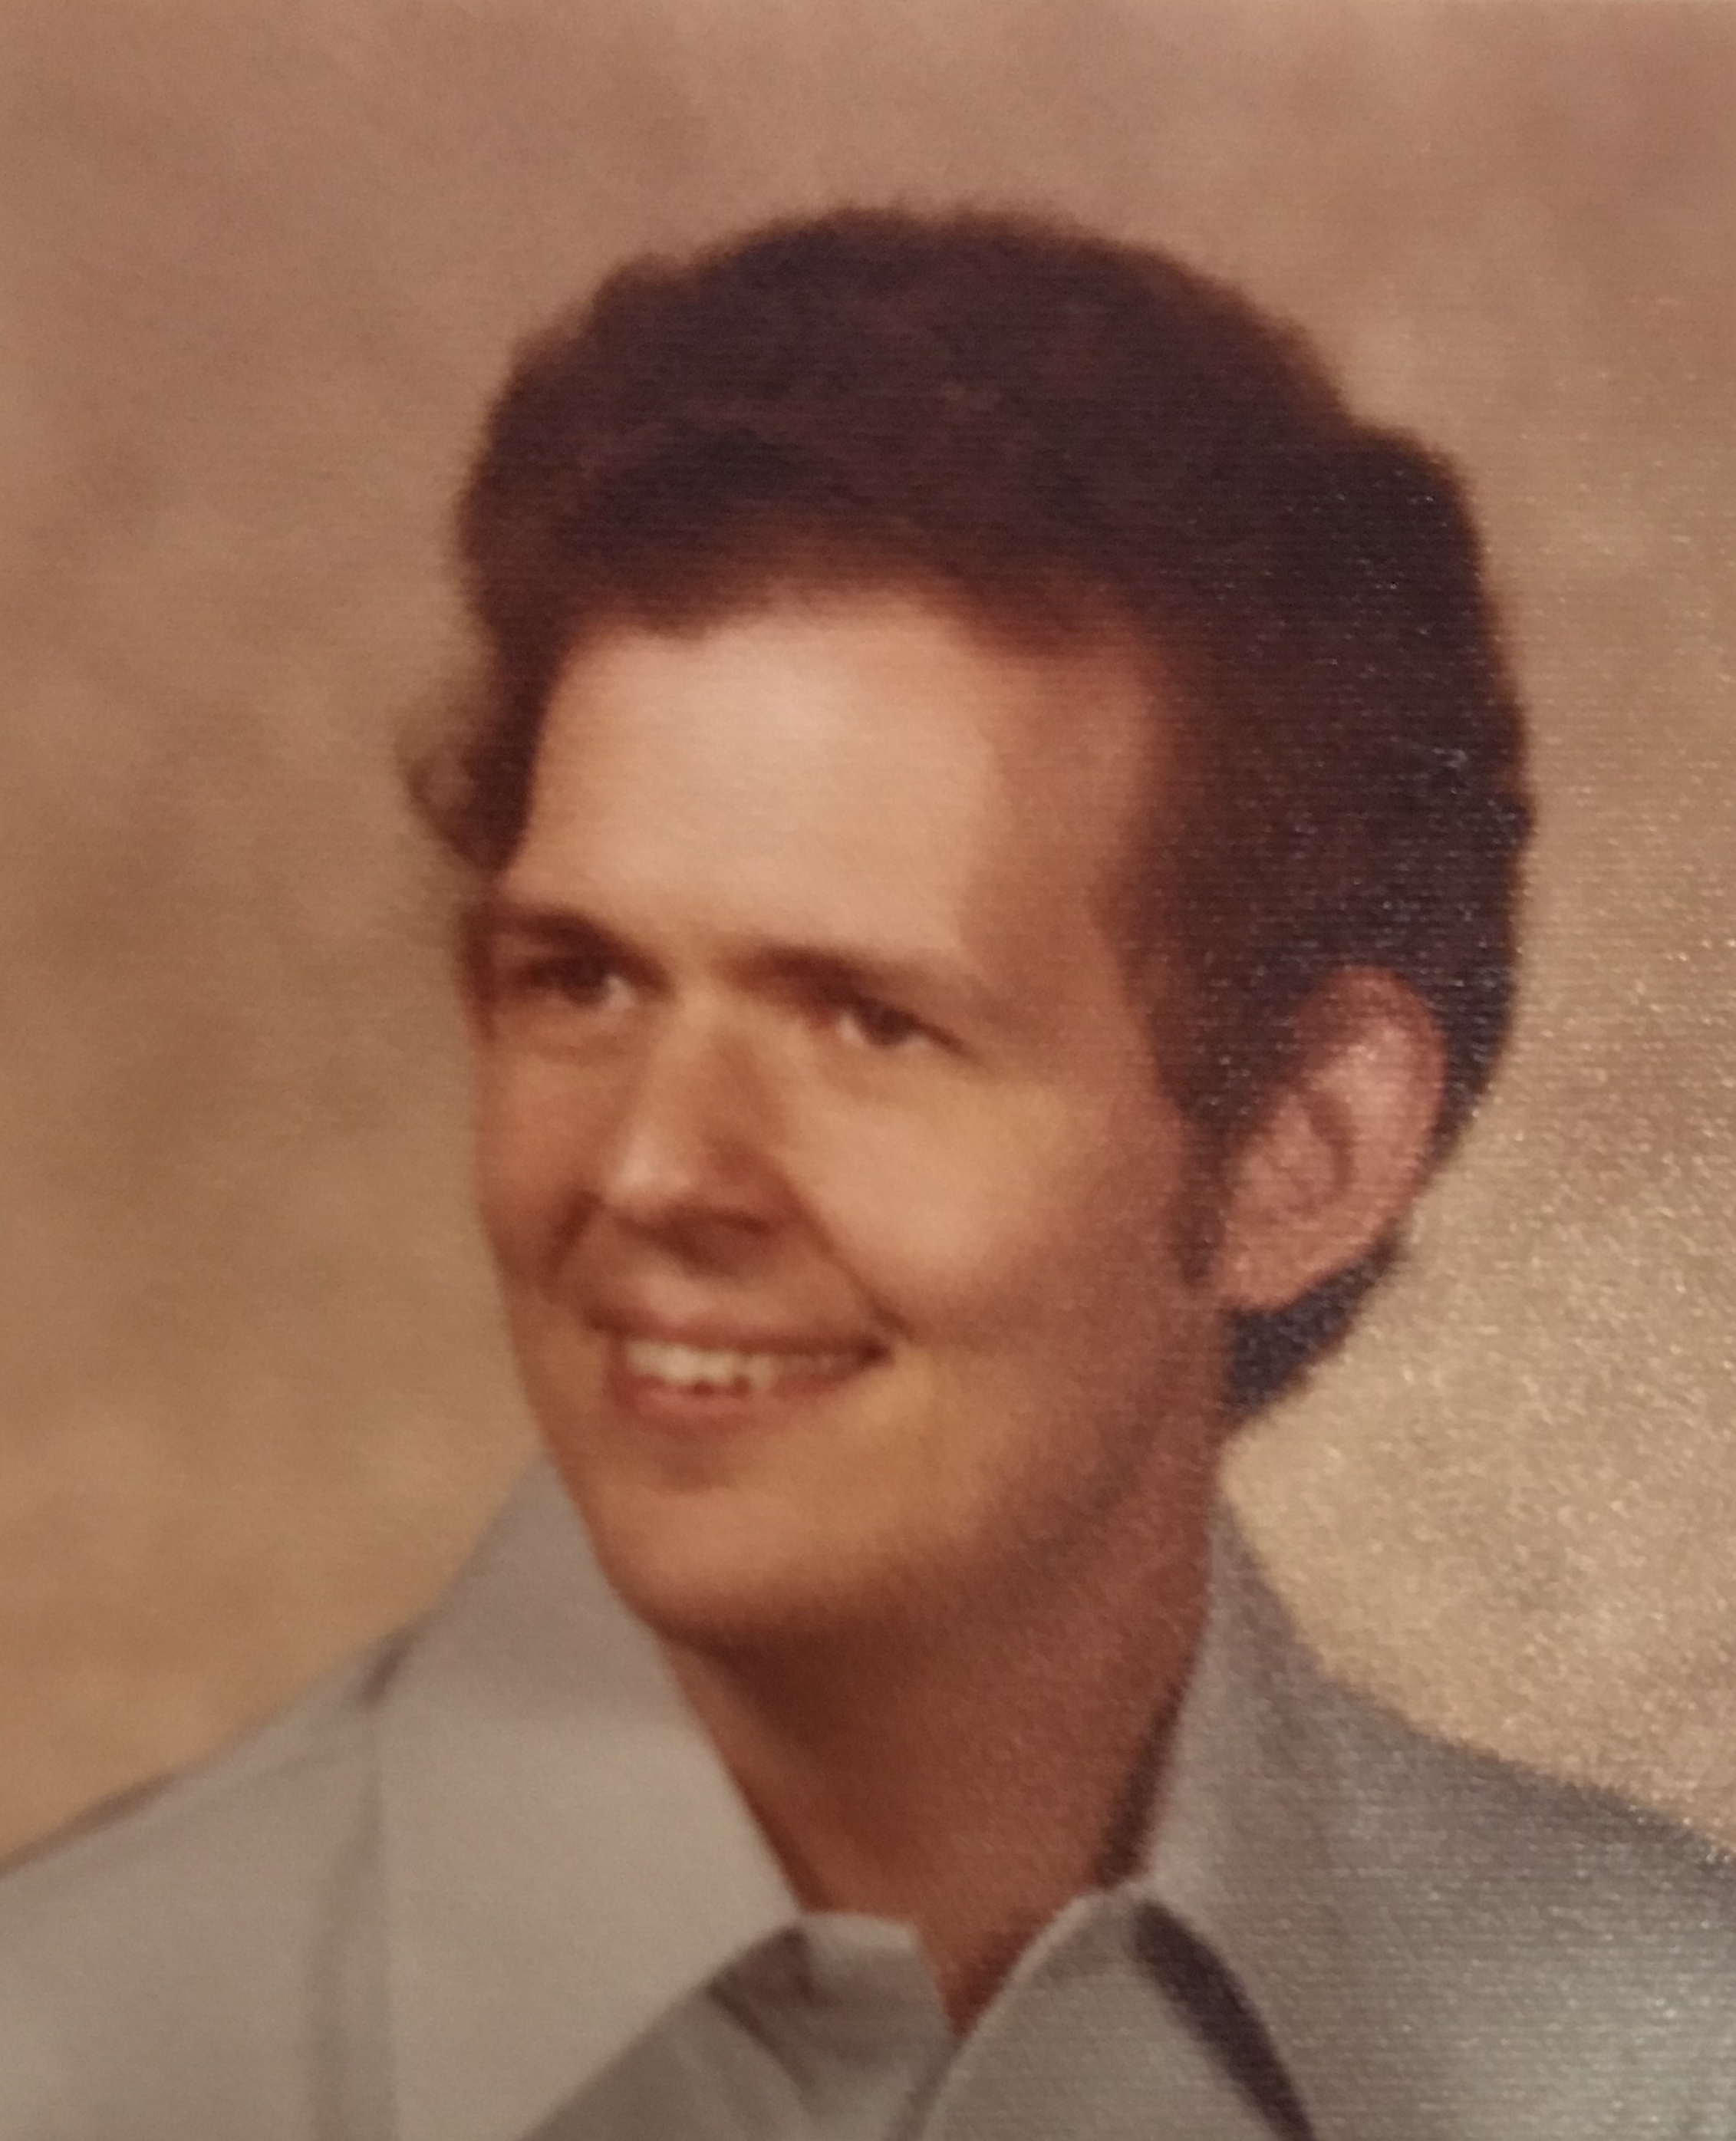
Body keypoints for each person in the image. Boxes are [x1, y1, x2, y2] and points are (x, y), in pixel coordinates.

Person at [2, 206, 1732, 2141]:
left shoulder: (1667, 2063)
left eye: (864, 1020)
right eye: (582, 980)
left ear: (1301, 1151)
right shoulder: (70, 2061)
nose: (652, 1167)